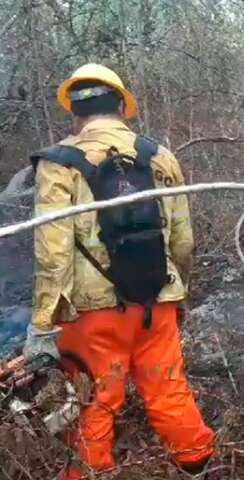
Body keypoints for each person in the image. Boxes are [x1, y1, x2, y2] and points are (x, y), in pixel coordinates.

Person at [23, 64, 215, 479]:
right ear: (122, 106)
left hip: (92, 313)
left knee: (95, 401)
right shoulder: (160, 157)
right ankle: (198, 465)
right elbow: (182, 240)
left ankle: (88, 474)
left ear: (75, 111)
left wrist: (43, 324)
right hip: (157, 299)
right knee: (168, 388)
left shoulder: (58, 164)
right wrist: (176, 292)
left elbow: (53, 251)